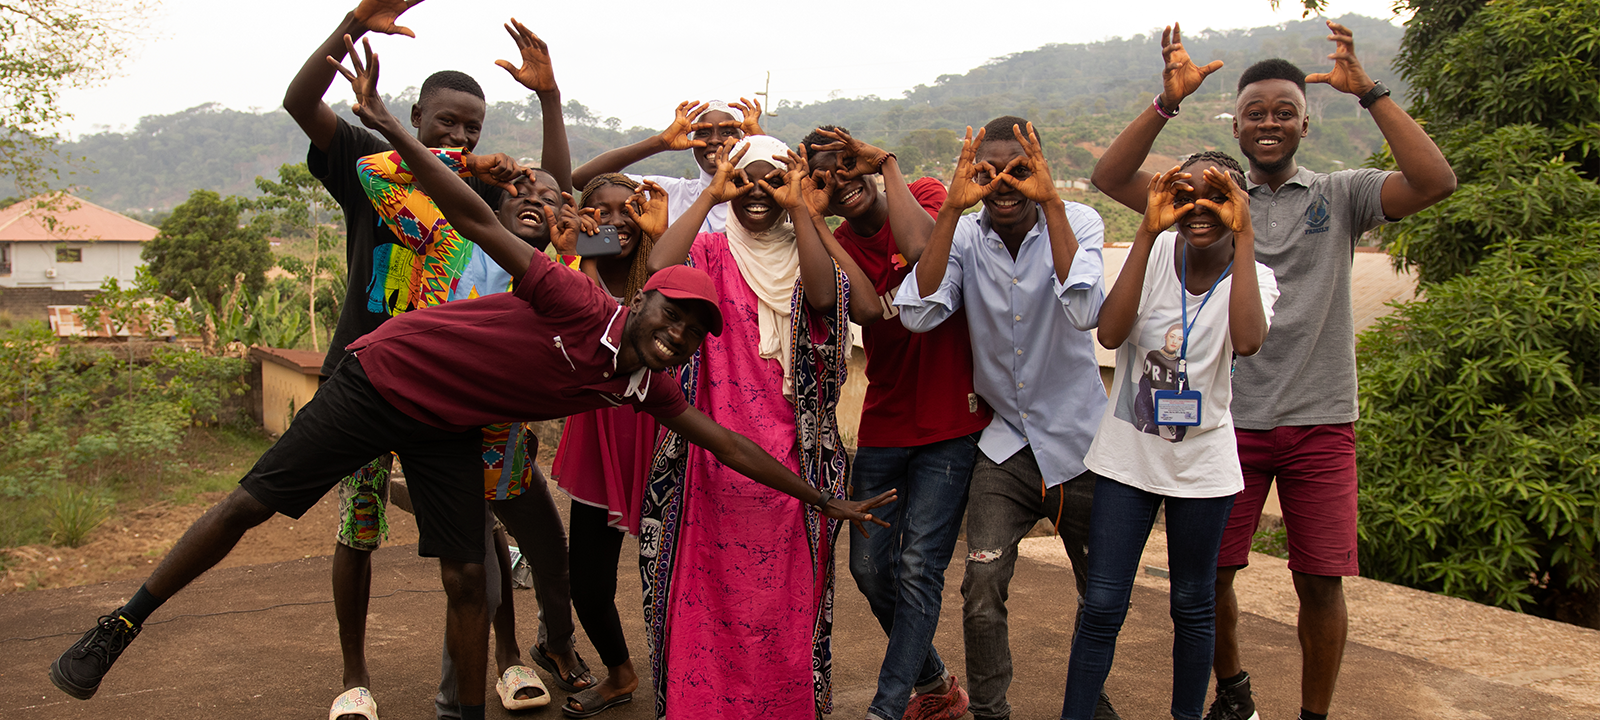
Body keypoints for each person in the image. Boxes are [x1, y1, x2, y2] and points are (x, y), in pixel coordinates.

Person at [46, 36, 894, 720]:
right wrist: (387, 124)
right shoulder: (571, 297)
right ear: (639, 304)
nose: (677, 337)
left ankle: (466, 709)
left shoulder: (643, 384)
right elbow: (474, 214)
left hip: (449, 423)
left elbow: (730, 445)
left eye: (692, 333)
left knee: (469, 573)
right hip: (380, 378)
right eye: (669, 316)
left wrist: (826, 500)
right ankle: (122, 622)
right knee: (254, 503)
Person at [1090, 21, 1456, 720]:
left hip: (1321, 419)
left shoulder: (1341, 195)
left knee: (1321, 580)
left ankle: (1313, 715)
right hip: (1230, 424)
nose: (1268, 122)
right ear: (1234, 122)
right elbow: (1110, 179)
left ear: (1305, 123)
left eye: (1284, 111)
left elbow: (1435, 181)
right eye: (1254, 111)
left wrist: (1372, 92)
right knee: (1212, 576)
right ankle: (1233, 692)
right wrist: (1165, 103)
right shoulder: (1208, 202)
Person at [640, 135, 875, 719]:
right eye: (745, 180)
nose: (757, 193)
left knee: (783, 613)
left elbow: (825, 299)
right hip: (708, 462)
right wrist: (711, 194)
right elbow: (659, 269)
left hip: (793, 467)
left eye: (772, 180)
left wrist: (800, 207)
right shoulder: (712, 252)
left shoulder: (808, 251)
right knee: (704, 603)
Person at [894, 117, 1121, 720]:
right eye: (987, 171)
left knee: (1098, 596)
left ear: (1040, 167)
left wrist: (1049, 202)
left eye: (1019, 169)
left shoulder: (1080, 222)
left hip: (1082, 447)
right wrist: (950, 210)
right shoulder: (965, 236)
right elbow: (917, 314)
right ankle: (992, 712)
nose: (1003, 183)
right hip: (1007, 447)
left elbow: (1084, 310)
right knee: (980, 592)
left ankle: (1088, 704)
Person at [1063, 155, 1278, 720]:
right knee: (1103, 605)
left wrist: (1246, 234)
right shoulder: (1156, 250)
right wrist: (1146, 231)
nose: (1198, 209)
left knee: (1192, 604)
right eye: (1186, 197)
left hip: (1203, 466)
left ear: (1238, 202)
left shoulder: (1258, 276)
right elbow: (1110, 333)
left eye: (1216, 196)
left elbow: (1250, 341)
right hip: (1127, 458)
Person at [797, 125, 992, 720]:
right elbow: (854, 308)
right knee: (867, 566)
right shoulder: (836, 242)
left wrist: (887, 166)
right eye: (826, 176)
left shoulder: (927, 193)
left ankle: (887, 708)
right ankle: (934, 680)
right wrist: (816, 223)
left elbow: (928, 264)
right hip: (883, 420)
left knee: (919, 566)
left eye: (847, 165)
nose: (842, 181)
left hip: (949, 424)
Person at [547, 172, 671, 717]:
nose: (617, 219)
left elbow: (635, 337)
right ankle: (620, 674)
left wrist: (657, 234)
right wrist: (586, 257)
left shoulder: (665, 270)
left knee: (667, 576)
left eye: (629, 209)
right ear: (584, 214)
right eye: (602, 210)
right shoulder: (572, 271)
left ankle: (686, 676)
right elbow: (594, 329)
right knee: (589, 584)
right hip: (598, 434)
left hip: (663, 434)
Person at [572, 98, 763, 232]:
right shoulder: (668, 194)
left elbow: (790, 189)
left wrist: (760, 144)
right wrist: (660, 142)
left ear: (744, 140)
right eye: (703, 133)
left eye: (727, 132)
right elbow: (583, 180)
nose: (714, 140)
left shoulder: (761, 198)